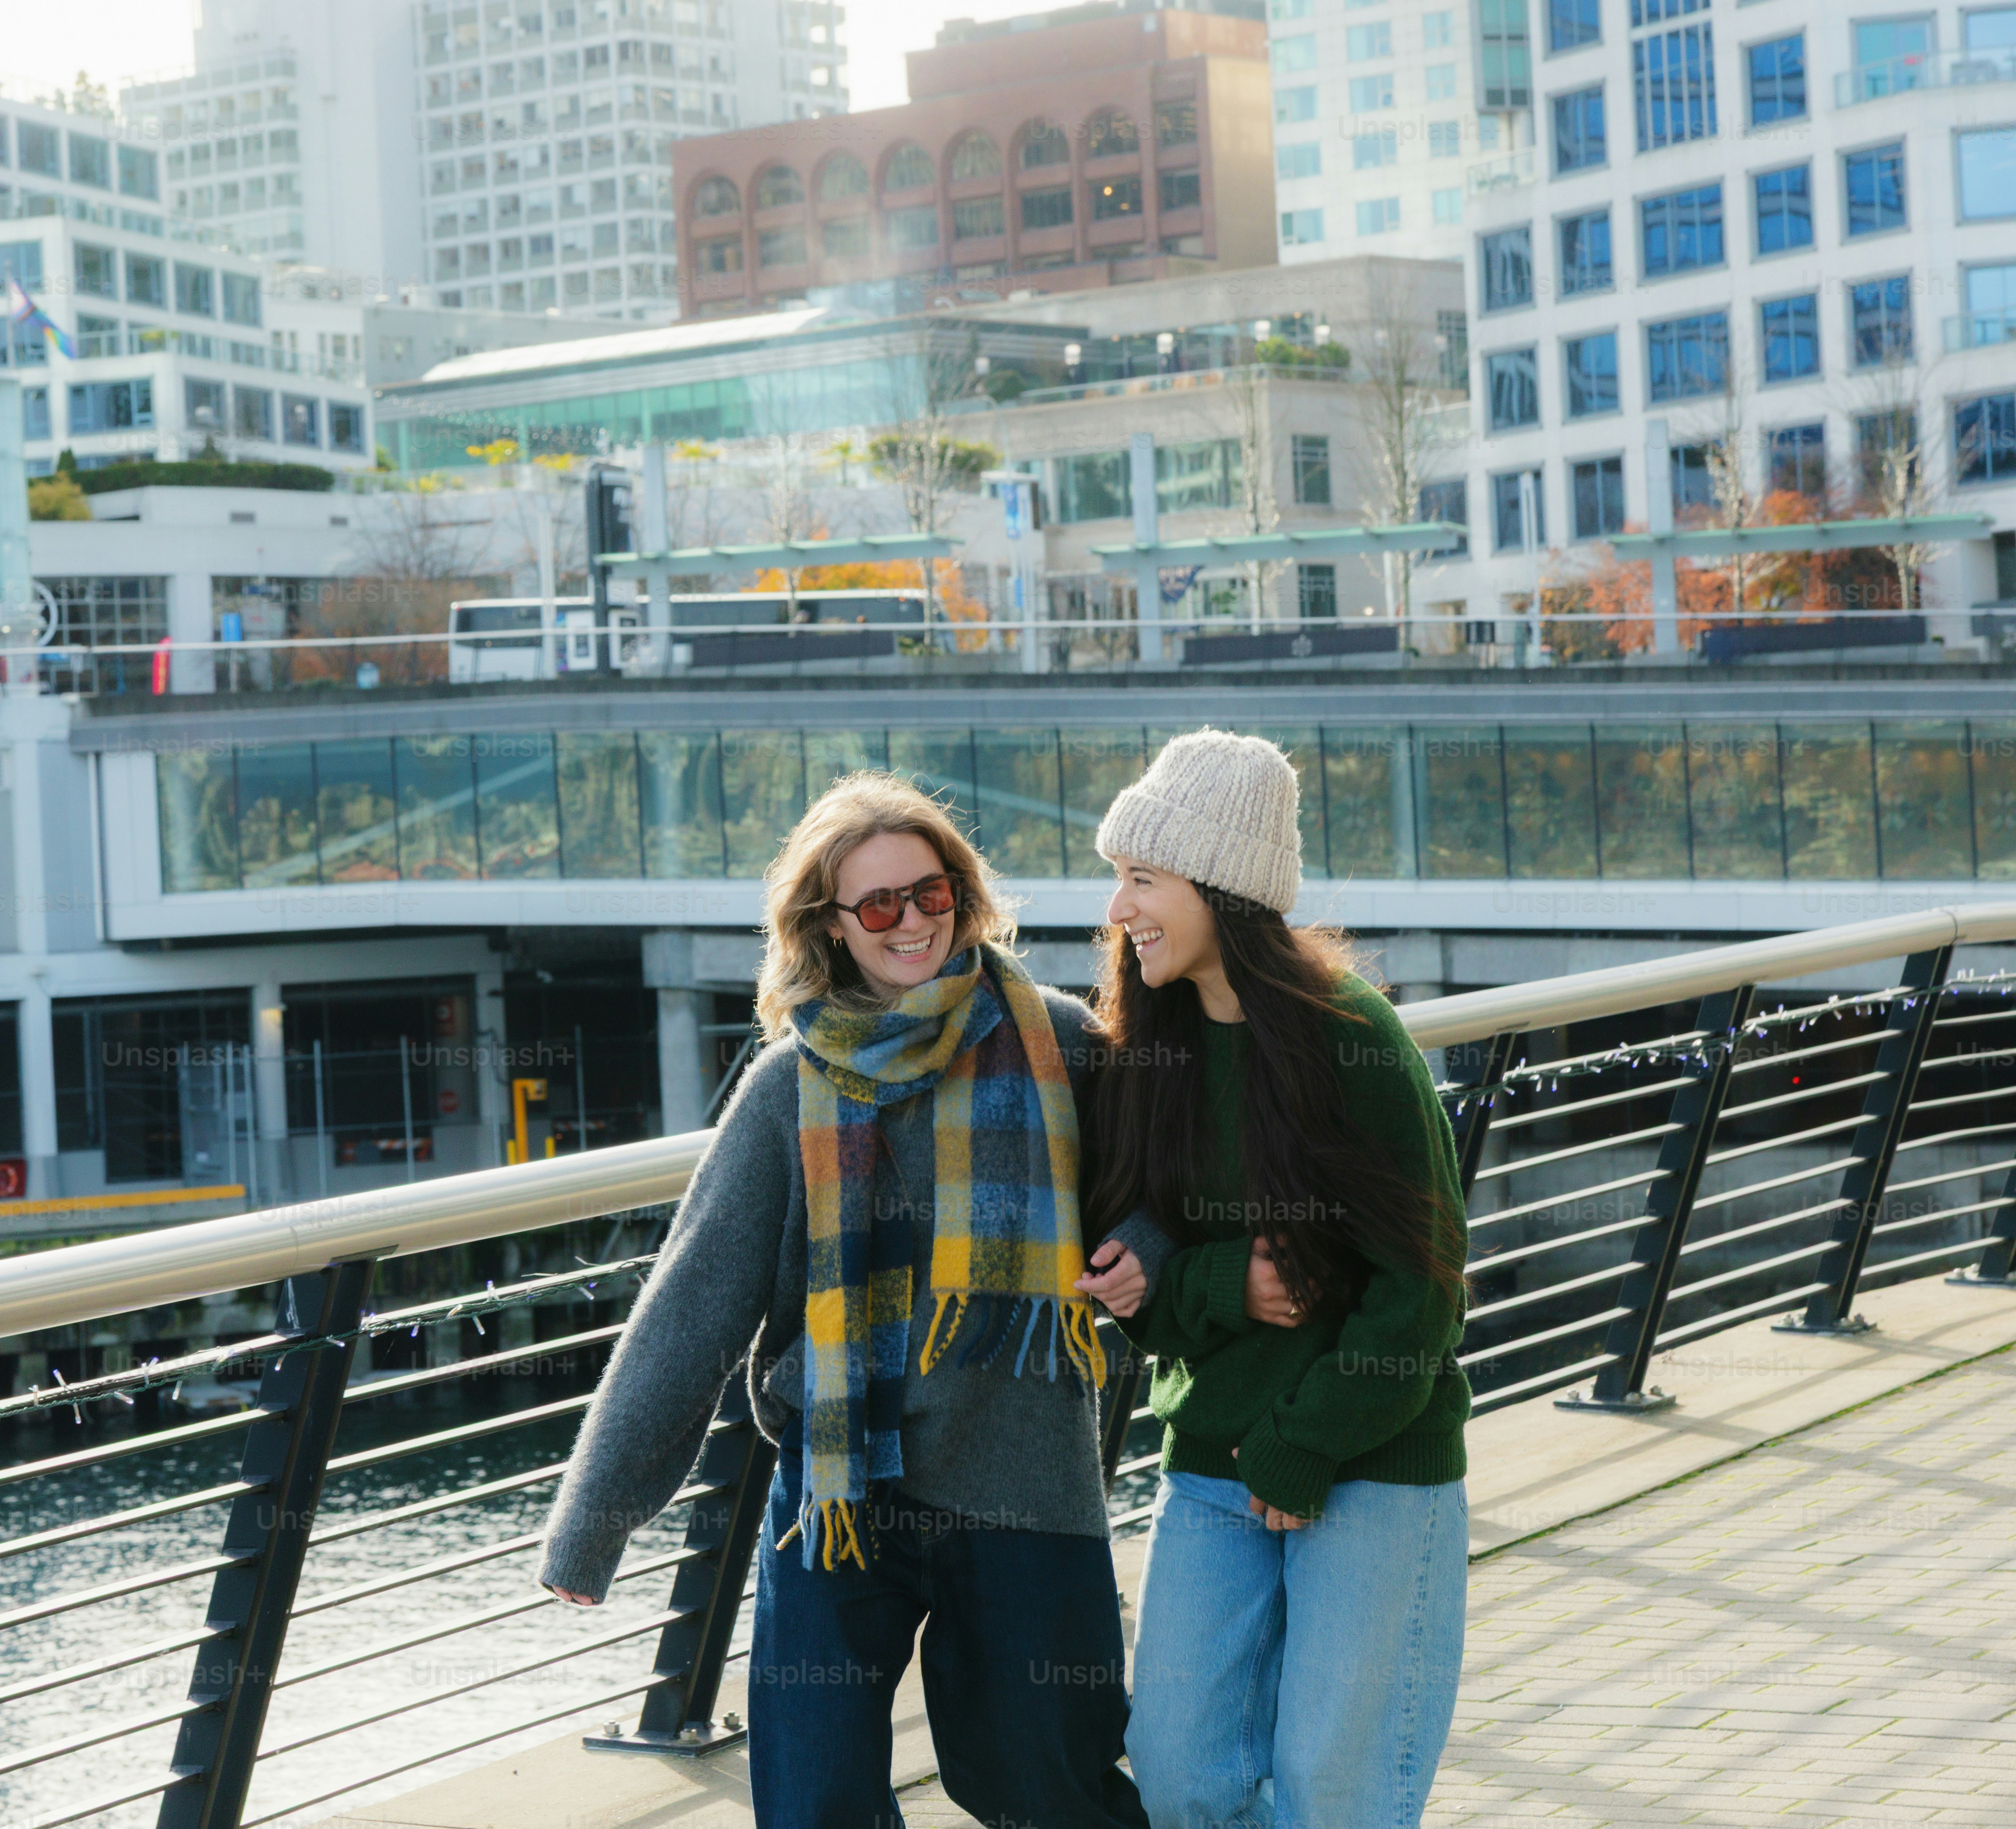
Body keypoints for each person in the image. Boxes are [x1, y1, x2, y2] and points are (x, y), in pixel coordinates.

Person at [540, 770, 1166, 1829]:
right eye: (879, 905)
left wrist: (1143, 1247)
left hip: (1025, 1481)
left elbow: (1163, 1182)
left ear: (963, 895)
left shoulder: (1059, 1041)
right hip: (840, 1499)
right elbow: (694, 1304)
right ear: (830, 927)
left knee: (1048, 1791)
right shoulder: (789, 1088)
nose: (912, 921)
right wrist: (595, 1523)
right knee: (813, 1801)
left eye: (932, 893)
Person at [1072, 728, 1471, 1829]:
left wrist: (1304, 1445)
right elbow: (1140, 1273)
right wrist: (1218, 1287)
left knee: (1334, 1790)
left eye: (1142, 879)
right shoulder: (1147, 1050)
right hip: (1210, 1463)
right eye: (1120, 880)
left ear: (1222, 891)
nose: (1118, 910)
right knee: (1180, 1770)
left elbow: (1422, 1292)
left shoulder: (1357, 1041)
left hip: (1374, 1465)